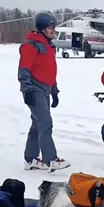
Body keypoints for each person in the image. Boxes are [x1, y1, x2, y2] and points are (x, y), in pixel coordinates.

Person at [18, 12, 70, 171]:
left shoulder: (47, 45)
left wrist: (54, 90)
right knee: (45, 123)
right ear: (41, 29)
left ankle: (30, 159)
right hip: (35, 88)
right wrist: (27, 90)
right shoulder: (31, 45)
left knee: (37, 123)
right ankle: (51, 159)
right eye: (50, 27)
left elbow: (48, 70)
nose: (53, 30)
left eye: (54, 27)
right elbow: (24, 69)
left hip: (45, 89)